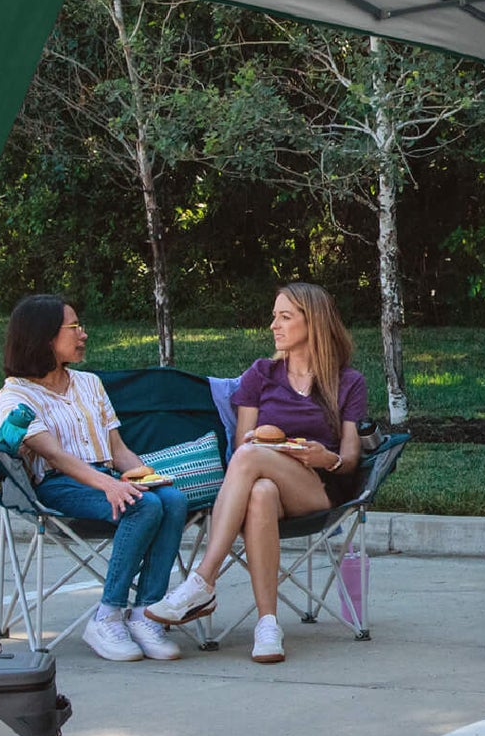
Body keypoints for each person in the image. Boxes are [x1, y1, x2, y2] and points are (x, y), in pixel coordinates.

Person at [148, 283, 368, 662]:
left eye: (285, 317)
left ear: (312, 322)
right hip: (267, 483)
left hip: (319, 487)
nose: (273, 325)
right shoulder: (261, 374)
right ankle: (268, 625)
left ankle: (203, 579)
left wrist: (324, 457)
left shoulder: (348, 381)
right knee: (261, 489)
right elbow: (241, 444)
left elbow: (349, 458)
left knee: (252, 459)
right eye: (274, 316)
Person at [0, 295, 191, 664]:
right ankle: (107, 614)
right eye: (74, 327)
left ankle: (147, 614)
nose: (83, 334)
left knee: (172, 499)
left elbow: (118, 450)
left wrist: (149, 475)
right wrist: (112, 486)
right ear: (44, 337)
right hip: (57, 484)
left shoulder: (89, 384)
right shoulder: (15, 394)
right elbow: (54, 455)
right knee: (142, 505)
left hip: (105, 476)